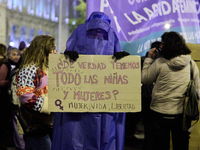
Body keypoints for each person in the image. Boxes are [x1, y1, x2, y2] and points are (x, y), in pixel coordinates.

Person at [51, 12, 129, 150]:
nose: (97, 38)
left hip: (102, 107)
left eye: (101, 35)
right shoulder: (71, 57)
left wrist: (124, 64)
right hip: (77, 110)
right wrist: (66, 58)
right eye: (92, 34)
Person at [141, 31, 200, 150]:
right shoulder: (191, 64)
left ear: (168, 46)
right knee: (181, 144)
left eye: (162, 44)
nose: (161, 47)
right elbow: (197, 90)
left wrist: (149, 59)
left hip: (158, 113)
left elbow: (145, 79)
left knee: (161, 145)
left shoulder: (159, 63)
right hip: (182, 115)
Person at [16, 35, 56, 150]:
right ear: (43, 49)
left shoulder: (46, 68)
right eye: (52, 49)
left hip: (46, 123)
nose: (55, 52)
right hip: (37, 125)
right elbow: (24, 95)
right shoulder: (30, 69)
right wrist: (48, 105)